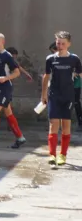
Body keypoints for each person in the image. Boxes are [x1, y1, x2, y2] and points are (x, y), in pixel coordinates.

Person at [41, 31, 82, 166]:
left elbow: (80, 75)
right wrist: (44, 95)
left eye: (63, 43)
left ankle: (62, 155)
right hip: (54, 95)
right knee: (53, 125)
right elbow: (46, 77)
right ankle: (52, 154)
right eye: (58, 43)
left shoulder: (74, 59)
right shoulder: (50, 59)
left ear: (69, 44)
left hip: (68, 96)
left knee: (66, 126)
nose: (60, 45)